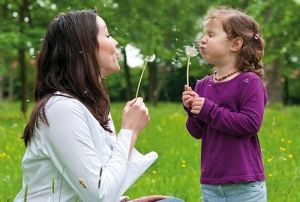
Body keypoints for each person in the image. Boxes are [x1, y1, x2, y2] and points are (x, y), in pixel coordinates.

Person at [15, 10, 180, 202]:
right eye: (107, 35)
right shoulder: (61, 109)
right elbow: (99, 196)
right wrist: (129, 132)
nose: (116, 42)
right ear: (83, 46)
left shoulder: (92, 106)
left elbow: (98, 182)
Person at [182, 7, 267, 202]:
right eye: (203, 34)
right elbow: (197, 132)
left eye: (211, 34)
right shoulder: (203, 85)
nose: (203, 39)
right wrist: (192, 111)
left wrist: (207, 109)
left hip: (244, 185)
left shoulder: (249, 82)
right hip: (211, 183)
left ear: (235, 44)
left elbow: (250, 124)